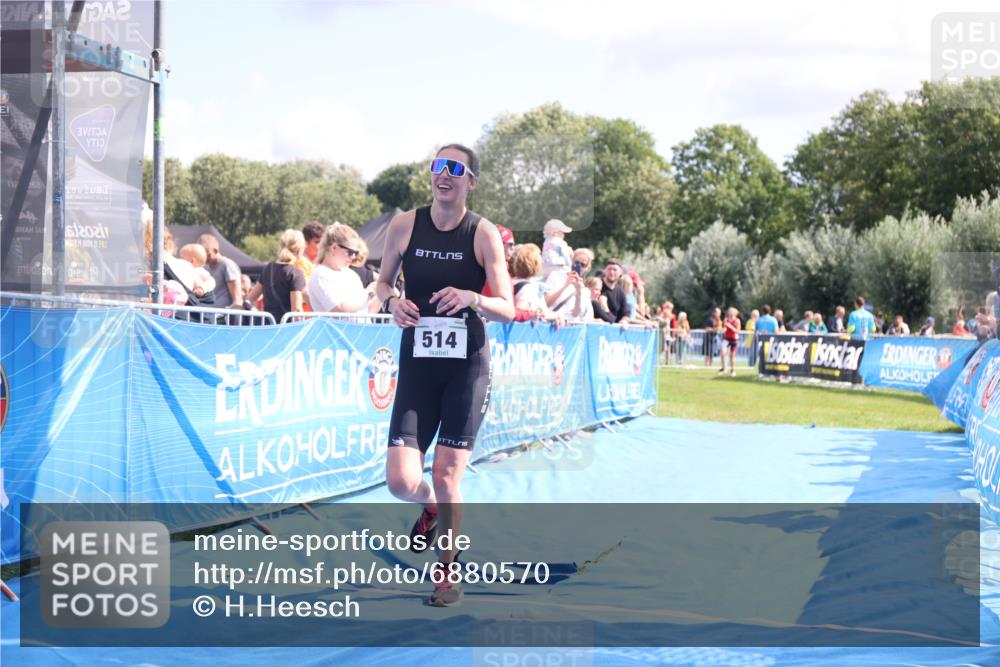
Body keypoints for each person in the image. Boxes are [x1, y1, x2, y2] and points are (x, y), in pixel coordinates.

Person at [375, 143, 514, 607]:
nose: (444, 174)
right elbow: (380, 282)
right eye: (438, 165)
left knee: (447, 471)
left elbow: (507, 308)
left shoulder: (482, 234)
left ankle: (447, 574)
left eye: (455, 168)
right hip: (417, 362)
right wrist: (392, 302)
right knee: (399, 480)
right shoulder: (404, 225)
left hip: (466, 368)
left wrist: (474, 298)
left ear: (471, 180)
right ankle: (430, 506)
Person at [308, 223, 374, 314]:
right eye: (350, 252)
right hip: (334, 328)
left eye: (356, 253)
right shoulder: (320, 275)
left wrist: (379, 293)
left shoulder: (351, 274)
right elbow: (340, 309)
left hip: (357, 328)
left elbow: (364, 311)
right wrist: (369, 293)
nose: (354, 257)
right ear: (334, 248)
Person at [247, 229, 307, 323]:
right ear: (300, 250)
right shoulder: (296, 274)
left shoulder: (268, 269)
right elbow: (297, 311)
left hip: (267, 327)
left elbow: (249, 299)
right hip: (286, 330)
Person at [509, 244, 565, 326]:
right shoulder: (529, 288)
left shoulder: (510, 282)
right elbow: (519, 311)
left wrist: (554, 315)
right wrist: (553, 315)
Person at [199, 234, 242, 310]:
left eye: (208, 255)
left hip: (223, 316)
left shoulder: (228, 265)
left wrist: (234, 318)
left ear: (216, 250)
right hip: (209, 314)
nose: (205, 258)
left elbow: (237, 299)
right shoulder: (205, 268)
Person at [722, 307, 741, 376]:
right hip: (726, 339)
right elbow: (724, 328)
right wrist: (723, 330)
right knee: (723, 353)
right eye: (730, 312)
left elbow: (738, 331)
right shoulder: (726, 319)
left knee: (732, 356)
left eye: (732, 313)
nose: (731, 314)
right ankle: (724, 368)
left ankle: (733, 370)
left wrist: (730, 327)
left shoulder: (737, 321)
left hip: (734, 340)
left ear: (735, 313)